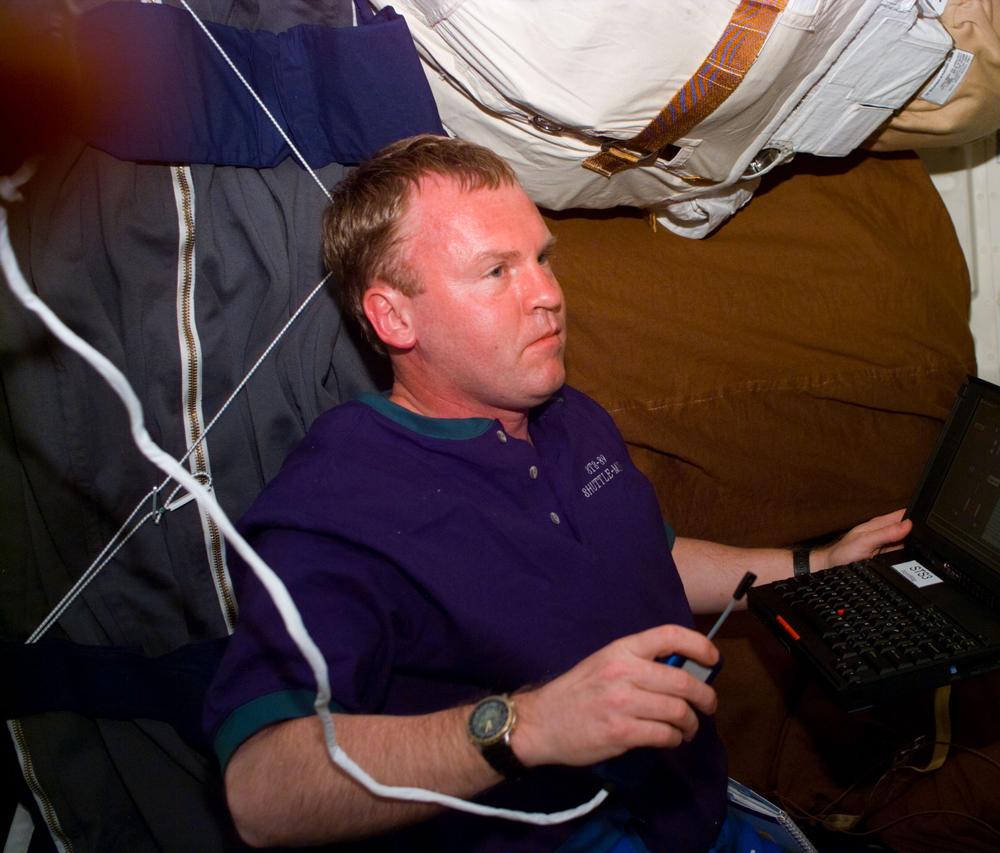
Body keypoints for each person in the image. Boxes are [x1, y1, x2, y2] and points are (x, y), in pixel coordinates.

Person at [202, 134, 911, 851]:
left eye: (541, 258)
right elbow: (261, 791)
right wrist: (527, 726)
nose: (547, 294)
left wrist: (815, 565)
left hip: (701, 816)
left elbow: (648, 554)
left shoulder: (566, 413)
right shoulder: (335, 501)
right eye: (496, 271)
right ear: (394, 318)